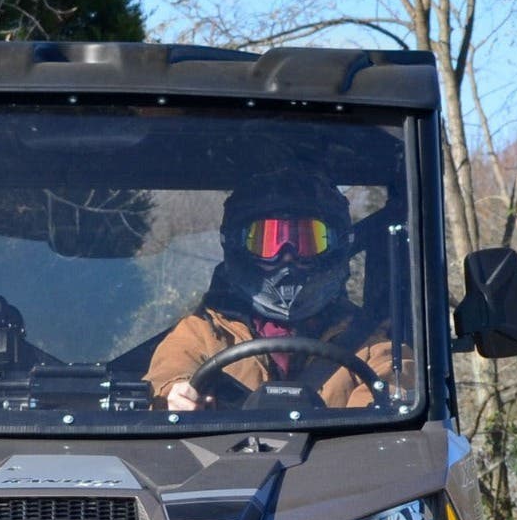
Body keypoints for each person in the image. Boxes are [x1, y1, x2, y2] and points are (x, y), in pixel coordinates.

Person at [145, 176, 398, 411]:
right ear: (237, 246)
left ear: (336, 247)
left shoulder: (371, 342)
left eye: (308, 241)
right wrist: (175, 395)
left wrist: (376, 410)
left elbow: (395, 390)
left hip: (336, 448)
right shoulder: (204, 332)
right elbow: (166, 378)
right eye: (266, 242)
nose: (287, 257)